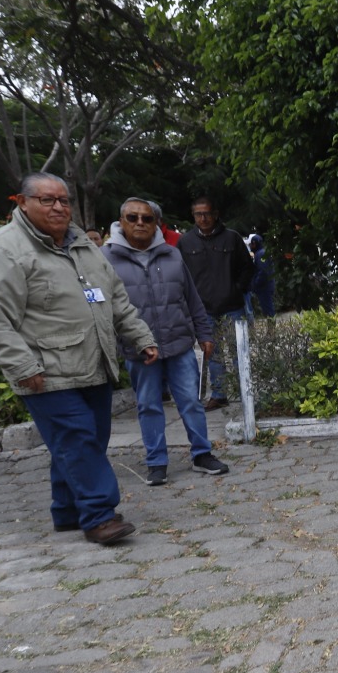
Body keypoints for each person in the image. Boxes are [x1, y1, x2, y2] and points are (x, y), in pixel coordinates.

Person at [0, 172, 157, 546]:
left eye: (63, 200)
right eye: (47, 200)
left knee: (86, 441)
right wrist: (21, 367)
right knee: (78, 439)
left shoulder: (82, 244)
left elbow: (113, 298)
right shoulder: (2, 251)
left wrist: (141, 336)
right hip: (45, 371)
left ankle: (67, 511)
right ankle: (100, 516)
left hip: (93, 363)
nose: (58, 207)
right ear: (22, 202)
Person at [103, 197, 229, 486]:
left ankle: (202, 454)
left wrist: (204, 334)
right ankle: (156, 462)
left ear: (155, 223)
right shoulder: (105, 259)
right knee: (148, 406)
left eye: (146, 219)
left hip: (179, 344)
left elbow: (192, 298)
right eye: (132, 218)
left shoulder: (171, 254)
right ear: (121, 222)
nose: (139, 224)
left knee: (191, 403)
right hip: (138, 351)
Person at [177, 196, 254, 411]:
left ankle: (245, 392)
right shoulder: (186, 242)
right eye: (198, 214)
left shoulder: (231, 238)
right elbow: (180, 274)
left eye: (207, 213)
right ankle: (219, 394)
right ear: (193, 216)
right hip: (204, 309)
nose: (203, 218)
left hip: (232, 305)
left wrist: (237, 288)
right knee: (212, 354)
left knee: (239, 350)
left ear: (215, 214)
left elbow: (248, 267)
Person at [248, 234, 276, 317]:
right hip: (267, 285)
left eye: (251, 244)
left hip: (264, 287)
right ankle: (271, 328)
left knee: (268, 310)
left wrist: (256, 284)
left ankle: (272, 329)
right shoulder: (262, 252)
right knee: (268, 309)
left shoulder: (260, 254)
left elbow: (263, 272)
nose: (250, 246)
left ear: (254, 244)